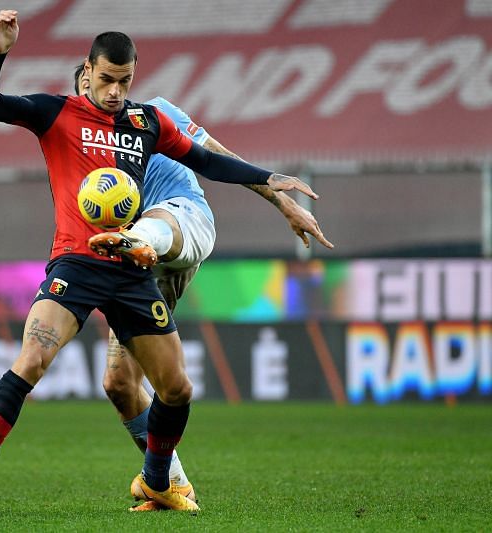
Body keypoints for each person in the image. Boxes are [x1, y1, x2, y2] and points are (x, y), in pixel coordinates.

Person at [0, 9, 321, 517]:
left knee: (177, 388)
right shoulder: (54, 112)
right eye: (107, 80)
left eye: (125, 80)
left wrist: (272, 180)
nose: (116, 90)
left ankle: (158, 481)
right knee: (32, 360)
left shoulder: (146, 122)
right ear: (87, 70)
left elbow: (205, 159)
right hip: (76, 265)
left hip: (131, 272)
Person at [72, 66, 334, 511]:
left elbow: (217, 156)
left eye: (113, 84)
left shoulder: (155, 114)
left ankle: (140, 241)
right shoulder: (78, 144)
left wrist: (282, 200)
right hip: (132, 264)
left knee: (151, 226)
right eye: (89, 89)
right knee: (119, 383)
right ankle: (170, 483)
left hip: (181, 222)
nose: (106, 94)